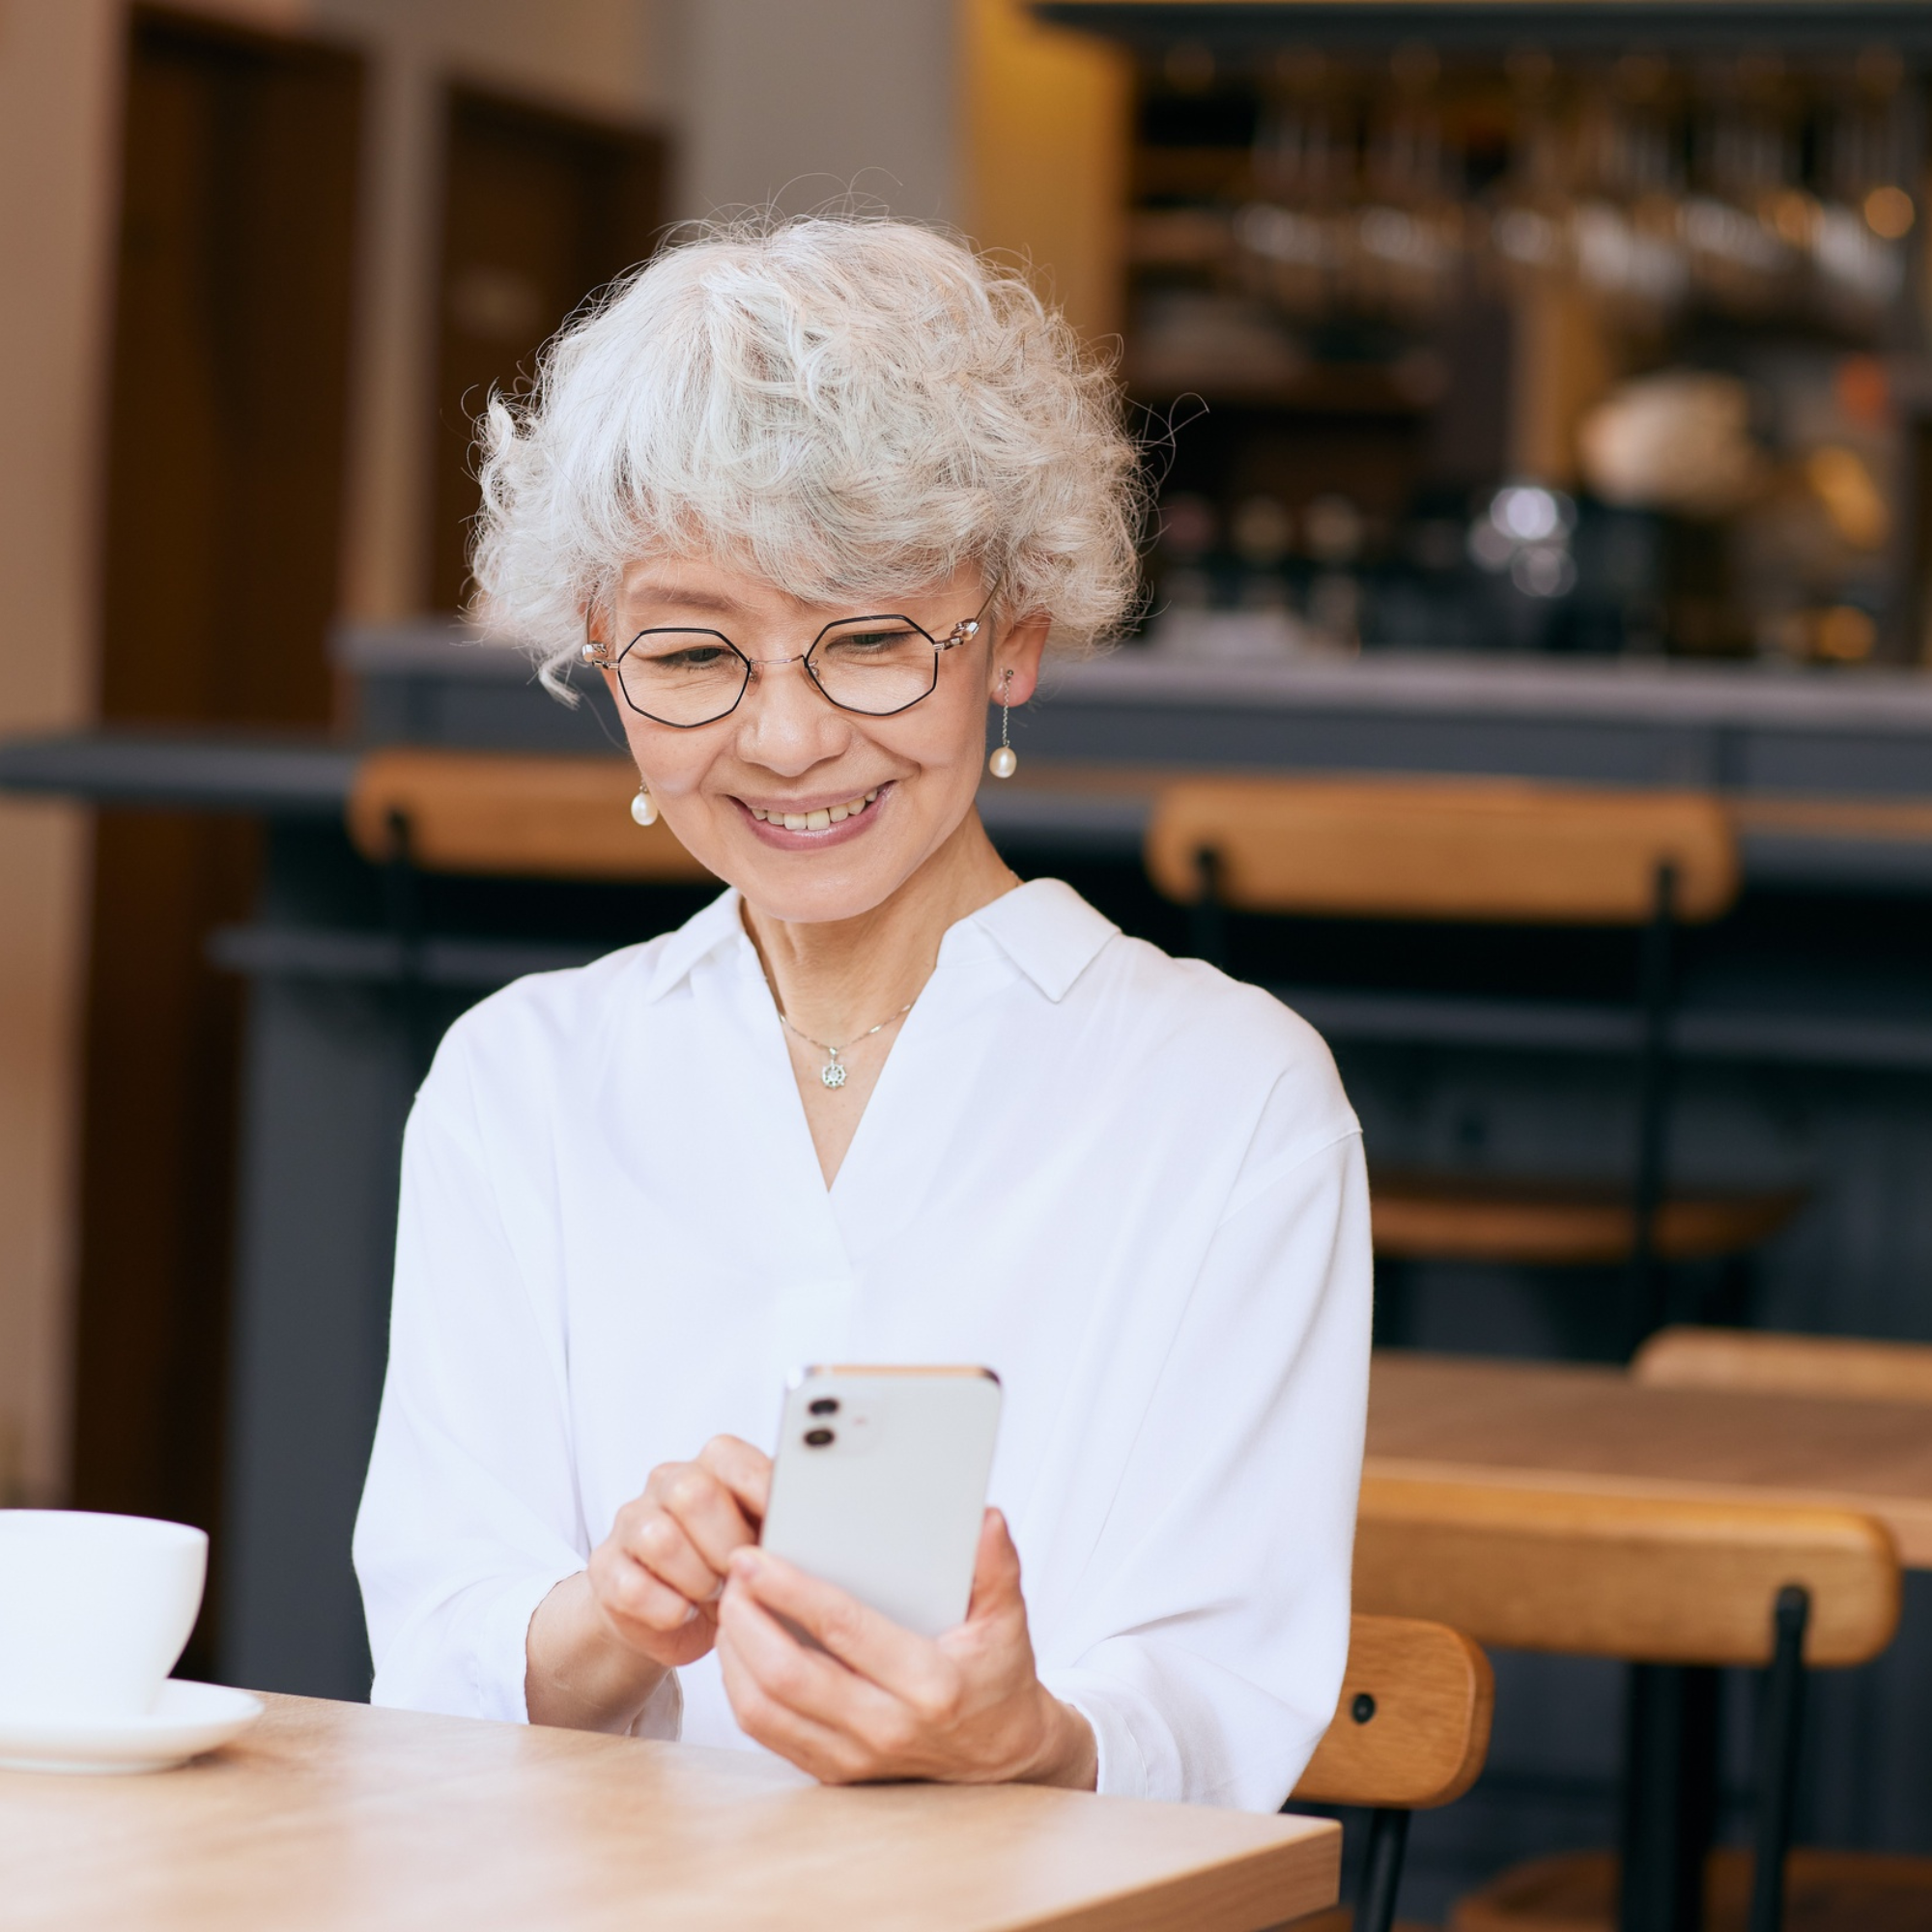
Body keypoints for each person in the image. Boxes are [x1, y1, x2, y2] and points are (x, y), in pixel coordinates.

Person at [353, 215, 1370, 1809]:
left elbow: (1226, 1683)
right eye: (694, 651)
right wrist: (621, 1617)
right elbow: (436, 1653)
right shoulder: (522, 1082)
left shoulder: (1228, 1098)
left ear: (1012, 641)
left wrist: (1022, 1740)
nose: (786, 736)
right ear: (606, 666)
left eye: (874, 641)